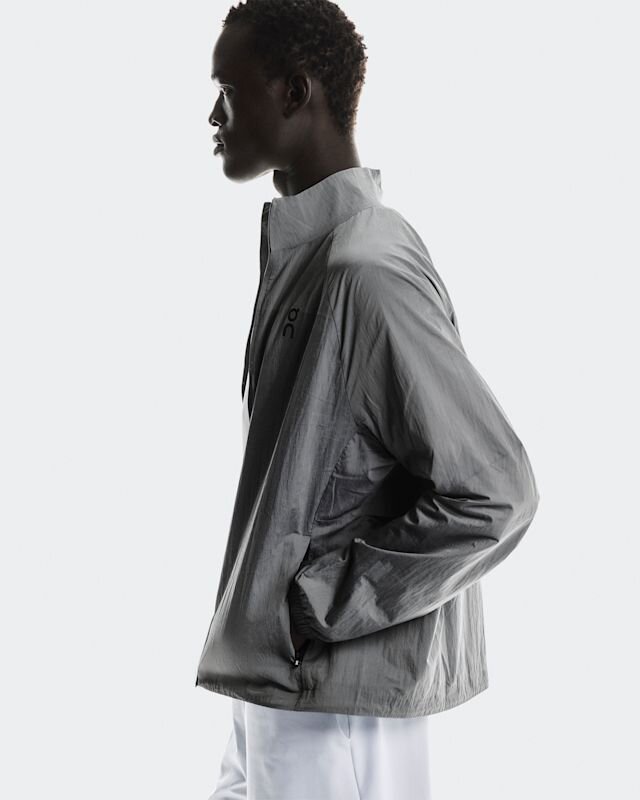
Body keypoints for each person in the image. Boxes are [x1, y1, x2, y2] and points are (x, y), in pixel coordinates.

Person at [197, 2, 540, 798]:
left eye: (229, 91)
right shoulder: (316, 260)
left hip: (332, 707)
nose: (213, 116)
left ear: (295, 92)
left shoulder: (367, 272)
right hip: (280, 683)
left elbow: (498, 491)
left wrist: (318, 603)